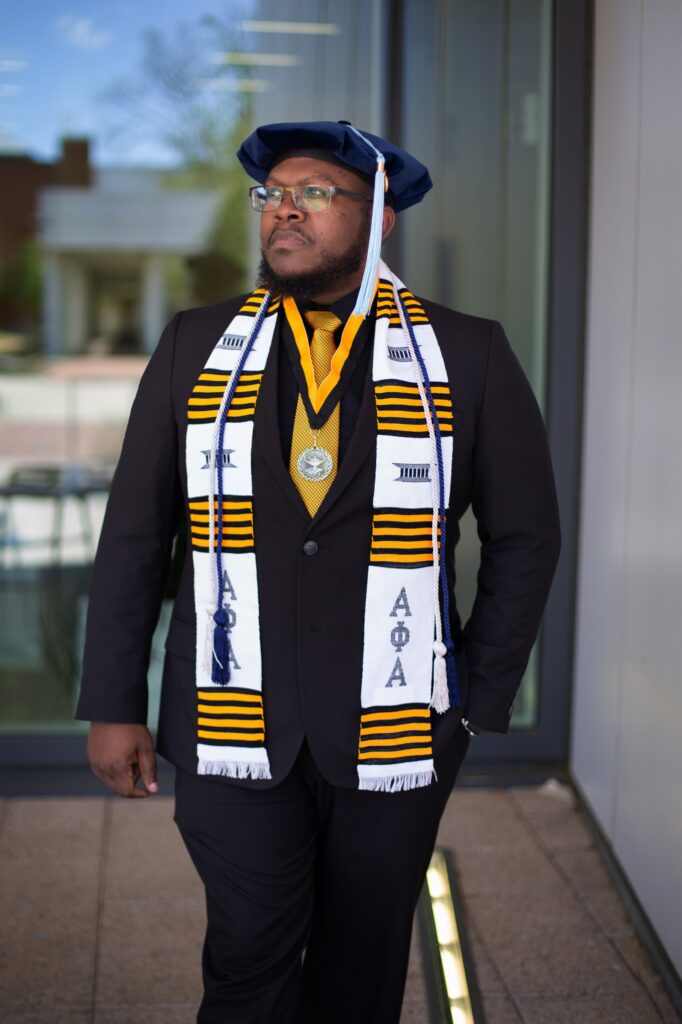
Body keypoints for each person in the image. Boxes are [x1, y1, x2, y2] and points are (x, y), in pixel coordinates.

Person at [77, 120, 561, 1024]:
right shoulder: (195, 345)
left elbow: (527, 537)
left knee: (362, 962)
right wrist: (115, 703)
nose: (282, 212)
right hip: (230, 715)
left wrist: (474, 698)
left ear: (377, 217)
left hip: (401, 723)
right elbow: (137, 534)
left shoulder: (466, 354)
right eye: (271, 195)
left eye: (313, 194)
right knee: (248, 959)